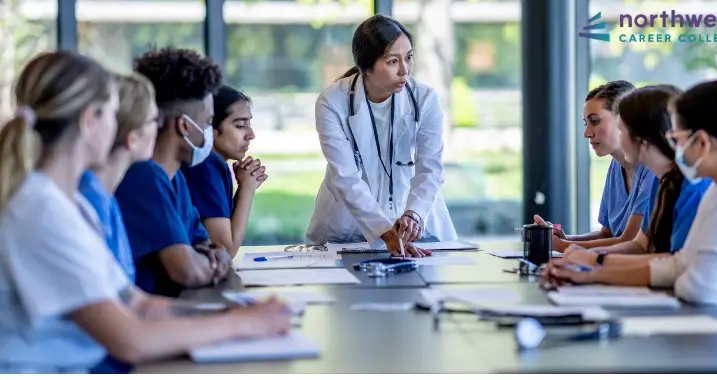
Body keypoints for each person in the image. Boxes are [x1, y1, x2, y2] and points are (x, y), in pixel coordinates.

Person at [0, 51, 290, 374]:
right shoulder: (42, 212)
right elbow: (130, 338)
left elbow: (138, 304)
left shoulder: (71, 206)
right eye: (113, 114)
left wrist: (239, 317)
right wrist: (239, 325)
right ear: (89, 121)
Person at [543, 80, 717, 305]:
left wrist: (594, 263)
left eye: (677, 139)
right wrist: (591, 270)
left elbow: (695, 287)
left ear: (701, 142)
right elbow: (678, 264)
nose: (675, 148)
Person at [307, 15, 457, 257]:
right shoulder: (332, 102)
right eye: (392, 61)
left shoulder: (425, 99)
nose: (404, 70)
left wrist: (413, 215)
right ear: (367, 65)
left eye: (409, 57)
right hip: (347, 227)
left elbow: (430, 169)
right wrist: (385, 232)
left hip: (417, 226)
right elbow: (345, 177)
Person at [115, 47, 232, 297]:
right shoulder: (143, 177)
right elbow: (187, 271)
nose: (210, 132)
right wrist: (212, 265)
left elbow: (208, 245)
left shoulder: (175, 179)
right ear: (184, 126)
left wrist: (214, 255)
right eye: (209, 122)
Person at [563, 85, 711, 262]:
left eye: (622, 129)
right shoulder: (662, 181)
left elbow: (675, 263)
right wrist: (586, 255)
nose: (620, 136)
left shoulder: (694, 187)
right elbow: (642, 245)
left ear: (642, 137)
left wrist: (595, 262)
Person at [534, 80, 656, 252]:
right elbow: (607, 234)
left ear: (625, 120)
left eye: (595, 121)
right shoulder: (615, 166)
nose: (587, 133)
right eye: (586, 123)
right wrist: (566, 238)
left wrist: (563, 246)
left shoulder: (652, 168)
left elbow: (630, 240)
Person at [79, 73, 159, 284]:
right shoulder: (89, 201)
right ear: (132, 138)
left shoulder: (105, 195)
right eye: (153, 120)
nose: (158, 127)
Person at [182, 85, 266, 257]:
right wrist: (247, 189)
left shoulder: (215, 164)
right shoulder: (206, 166)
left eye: (249, 124)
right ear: (209, 127)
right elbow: (226, 251)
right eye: (240, 125)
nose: (251, 134)